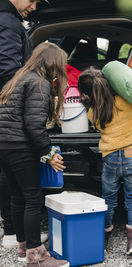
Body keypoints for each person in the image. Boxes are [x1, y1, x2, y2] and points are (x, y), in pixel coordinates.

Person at [0, 42, 69, 267]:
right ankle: (36, 257)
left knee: (17, 196)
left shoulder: (18, 77)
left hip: (4, 145)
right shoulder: (39, 82)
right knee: (33, 197)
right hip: (19, 146)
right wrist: (48, 153)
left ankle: (23, 248)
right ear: (52, 63)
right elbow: (33, 125)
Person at [78, 67, 132, 256]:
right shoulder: (126, 100)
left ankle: (103, 239)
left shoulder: (94, 111)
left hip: (110, 158)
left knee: (109, 200)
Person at [0, 0, 46, 250]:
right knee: (27, 191)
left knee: (11, 179)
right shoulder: (7, 22)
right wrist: (32, 90)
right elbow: (7, 69)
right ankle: (29, 246)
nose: (35, 7)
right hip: (12, 119)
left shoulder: (9, 20)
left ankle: (16, 237)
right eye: (33, 0)